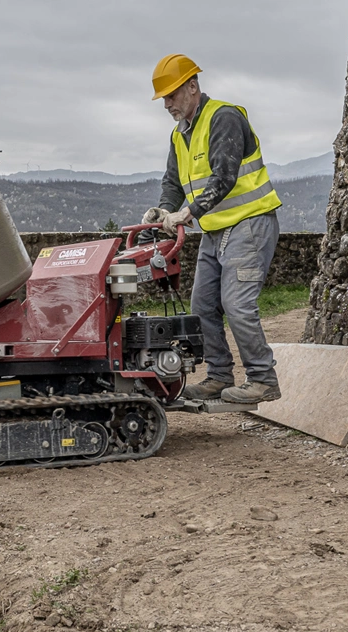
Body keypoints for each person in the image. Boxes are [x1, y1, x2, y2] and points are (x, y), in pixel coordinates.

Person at [142, 54, 283, 404]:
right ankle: (219, 376)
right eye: (164, 99)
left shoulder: (224, 117)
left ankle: (263, 379)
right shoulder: (180, 134)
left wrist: (187, 213)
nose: (167, 104)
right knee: (202, 305)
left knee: (237, 304)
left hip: (249, 223)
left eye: (171, 95)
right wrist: (164, 210)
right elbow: (173, 182)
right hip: (216, 230)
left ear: (192, 86)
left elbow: (224, 177)